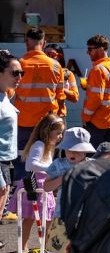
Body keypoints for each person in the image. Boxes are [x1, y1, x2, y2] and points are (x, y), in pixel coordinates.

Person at [44, 127, 96, 253]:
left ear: (85, 151)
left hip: (87, 215)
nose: (72, 153)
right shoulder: (58, 164)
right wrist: (64, 177)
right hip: (63, 215)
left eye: (77, 150)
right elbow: (46, 187)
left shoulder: (92, 165)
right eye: (68, 150)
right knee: (60, 252)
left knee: (87, 251)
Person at [14, 28, 65, 178]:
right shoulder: (55, 65)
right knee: (46, 159)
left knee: (22, 159)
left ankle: (22, 194)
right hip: (47, 123)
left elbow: (9, 93)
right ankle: (46, 192)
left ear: (26, 42)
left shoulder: (19, 65)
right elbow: (60, 96)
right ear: (44, 43)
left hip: (24, 121)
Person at [17, 113, 65, 253]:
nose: (60, 136)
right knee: (29, 219)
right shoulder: (39, 144)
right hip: (34, 184)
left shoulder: (49, 146)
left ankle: (46, 247)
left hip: (44, 185)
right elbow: (30, 165)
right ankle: (21, 248)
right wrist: (53, 169)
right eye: (58, 133)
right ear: (48, 131)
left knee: (47, 218)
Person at [82, 34, 110, 147]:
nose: (87, 52)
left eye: (90, 49)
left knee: (94, 159)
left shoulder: (97, 70)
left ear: (101, 49)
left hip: (98, 122)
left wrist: (86, 118)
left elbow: (96, 99)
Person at [0, 51, 23, 235]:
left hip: (6, 160)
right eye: (15, 73)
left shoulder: (5, 94)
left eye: (21, 73)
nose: (19, 77)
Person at [44, 44, 79, 119]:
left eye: (51, 54)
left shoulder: (67, 73)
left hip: (59, 115)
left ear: (59, 56)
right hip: (41, 115)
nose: (47, 57)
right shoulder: (40, 72)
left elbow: (75, 97)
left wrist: (61, 89)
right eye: (45, 54)